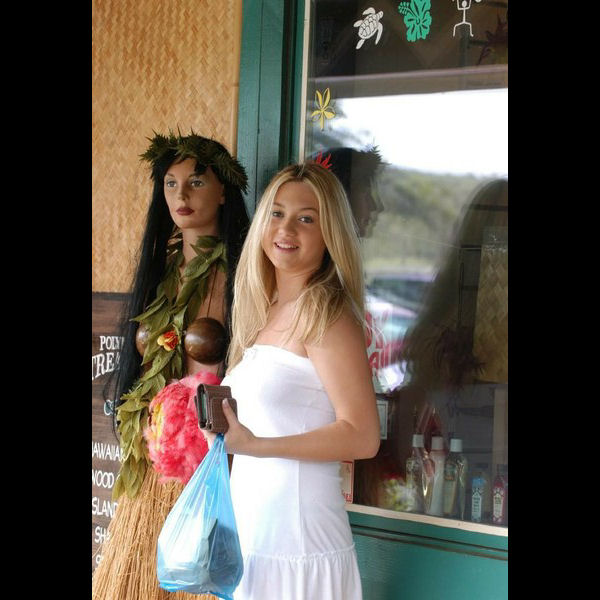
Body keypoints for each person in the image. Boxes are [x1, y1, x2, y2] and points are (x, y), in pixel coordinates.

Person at [203, 161, 381, 600]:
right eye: (277, 213)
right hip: (253, 537)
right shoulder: (263, 310)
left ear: (329, 235)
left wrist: (256, 445)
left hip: (300, 546)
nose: (286, 229)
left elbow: (362, 437)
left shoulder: (327, 312)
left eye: (306, 219)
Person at [92, 130, 250, 600]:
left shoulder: (243, 273)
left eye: (196, 182)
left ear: (223, 192)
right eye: (171, 183)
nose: (182, 195)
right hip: (154, 457)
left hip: (213, 458)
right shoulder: (160, 270)